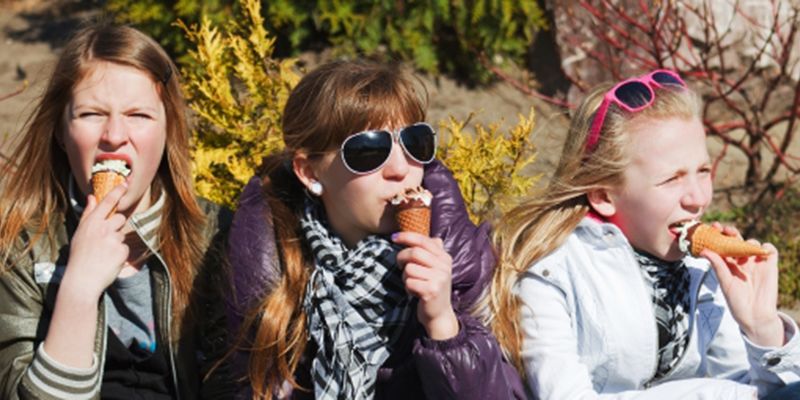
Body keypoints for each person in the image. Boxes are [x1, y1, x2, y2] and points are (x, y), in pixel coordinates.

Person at [489, 70, 800, 399]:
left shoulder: (701, 268)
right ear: (604, 196)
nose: (698, 198)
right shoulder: (551, 274)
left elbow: (761, 391)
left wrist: (762, 329)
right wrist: (711, 394)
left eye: (703, 171)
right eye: (672, 179)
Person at [224, 60, 525, 399]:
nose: (400, 168)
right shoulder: (272, 273)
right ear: (309, 172)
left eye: (415, 142)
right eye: (368, 150)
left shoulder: (462, 265)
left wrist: (443, 323)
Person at [0, 24, 233, 399]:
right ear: (61, 131)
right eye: (92, 114)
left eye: (138, 115)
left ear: (168, 129)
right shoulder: (20, 248)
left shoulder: (219, 238)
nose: (113, 135)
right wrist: (78, 287)